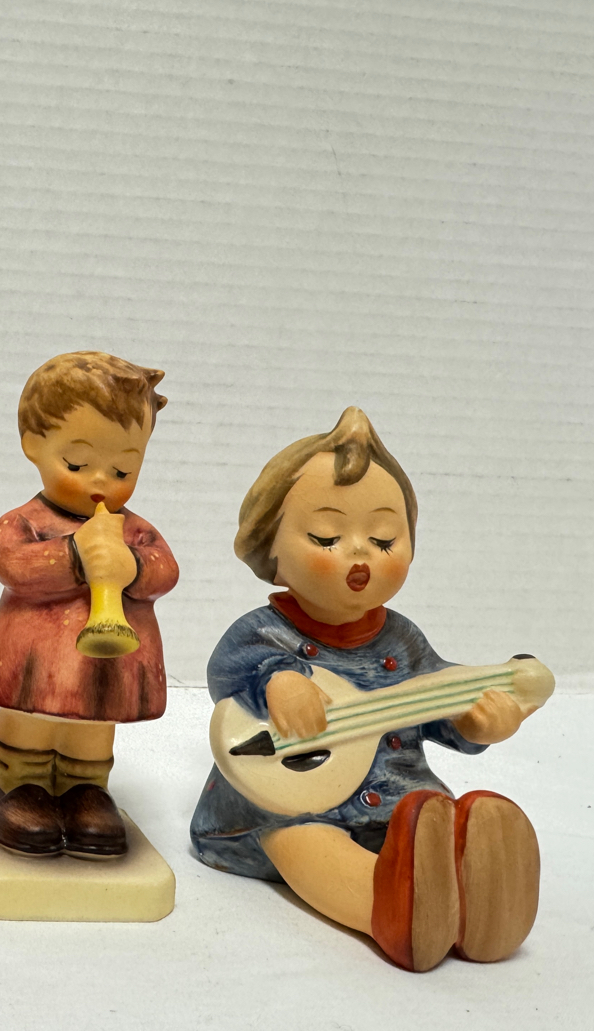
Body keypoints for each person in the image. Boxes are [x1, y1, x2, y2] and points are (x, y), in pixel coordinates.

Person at [190, 407, 547, 971]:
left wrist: (479, 720)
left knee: (431, 824)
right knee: (307, 845)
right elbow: (228, 673)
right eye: (326, 537)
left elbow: (436, 702)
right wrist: (279, 679)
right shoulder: (264, 632)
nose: (359, 553)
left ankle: (477, 889)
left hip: (400, 804)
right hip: (288, 804)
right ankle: (389, 908)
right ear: (270, 552)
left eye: (383, 539)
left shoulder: (403, 640)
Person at [0, 351, 179, 858]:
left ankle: (85, 789)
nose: (100, 481)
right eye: (76, 464)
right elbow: (12, 563)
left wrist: (132, 566)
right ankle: (18, 784)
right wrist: (72, 555)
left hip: (110, 659)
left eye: (123, 468)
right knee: (31, 719)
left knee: (93, 727)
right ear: (33, 444)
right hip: (36, 652)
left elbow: (165, 570)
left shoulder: (132, 530)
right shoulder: (24, 522)